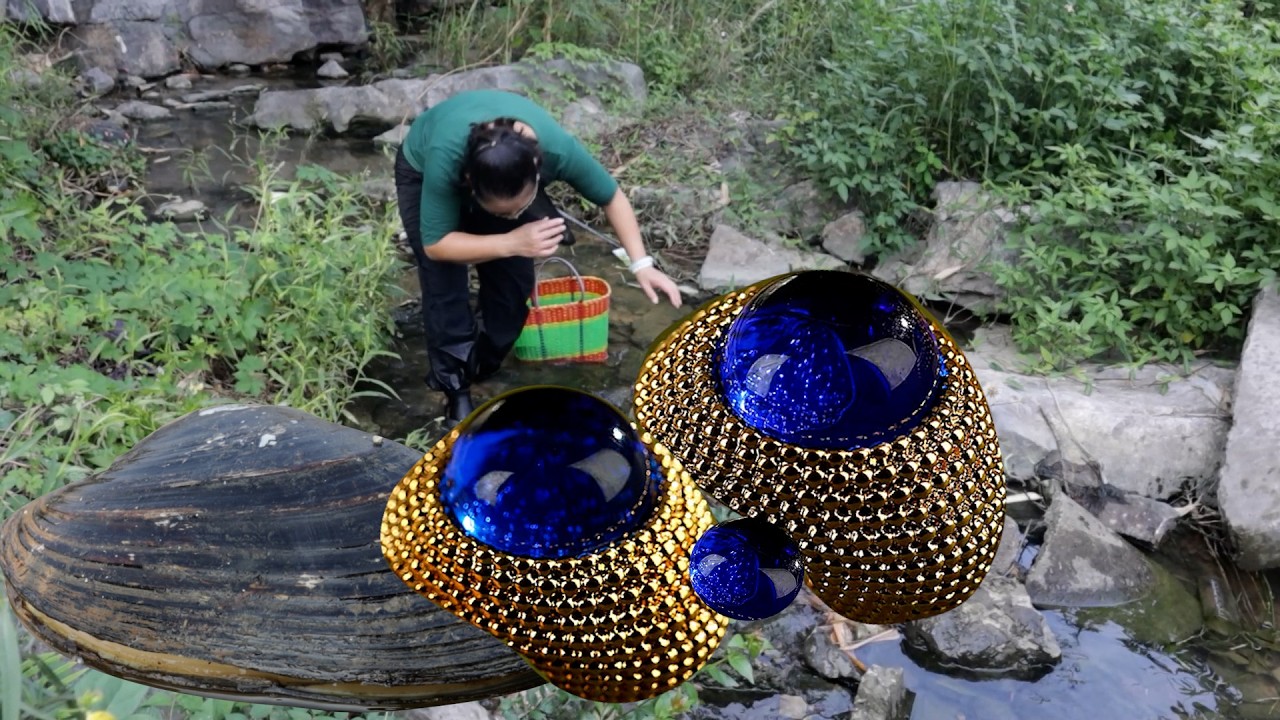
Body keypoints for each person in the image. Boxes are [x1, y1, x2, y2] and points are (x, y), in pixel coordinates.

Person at [394, 89, 683, 426]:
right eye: (505, 212)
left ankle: (478, 363)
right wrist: (510, 241)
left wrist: (641, 264)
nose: (514, 214)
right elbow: (437, 245)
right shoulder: (446, 160)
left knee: (513, 294)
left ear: (537, 172)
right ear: (470, 185)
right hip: (423, 168)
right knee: (445, 287)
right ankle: (455, 389)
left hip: (501, 178)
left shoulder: (556, 149)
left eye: (519, 207)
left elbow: (611, 196)